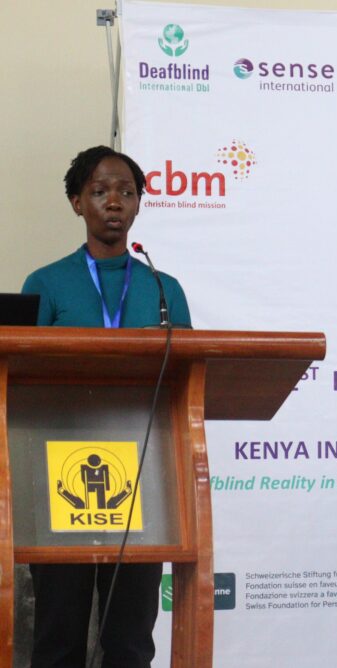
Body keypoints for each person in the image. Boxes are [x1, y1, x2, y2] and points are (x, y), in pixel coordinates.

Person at [21, 145, 190, 667]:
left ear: (138, 204)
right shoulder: (46, 284)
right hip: (58, 473)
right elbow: (21, 377)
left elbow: (186, 377)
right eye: (99, 191)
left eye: (126, 191)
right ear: (77, 203)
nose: (113, 201)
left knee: (131, 637)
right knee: (58, 632)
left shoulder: (165, 288)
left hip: (143, 474)